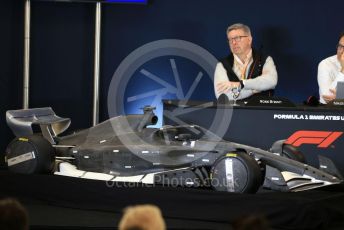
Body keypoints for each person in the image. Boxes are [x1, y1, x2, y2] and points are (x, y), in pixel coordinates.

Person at [214, 23, 278, 100]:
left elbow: (271, 81)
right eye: (230, 39)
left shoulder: (265, 59)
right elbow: (223, 96)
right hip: (235, 111)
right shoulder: (222, 65)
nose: (233, 43)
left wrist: (241, 84)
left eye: (237, 38)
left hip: (262, 110)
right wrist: (254, 89)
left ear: (249, 39)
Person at [317, 32, 344, 104]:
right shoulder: (326, 64)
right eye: (340, 46)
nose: (341, 52)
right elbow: (327, 98)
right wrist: (343, 70)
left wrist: (340, 97)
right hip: (332, 112)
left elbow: (338, 100)